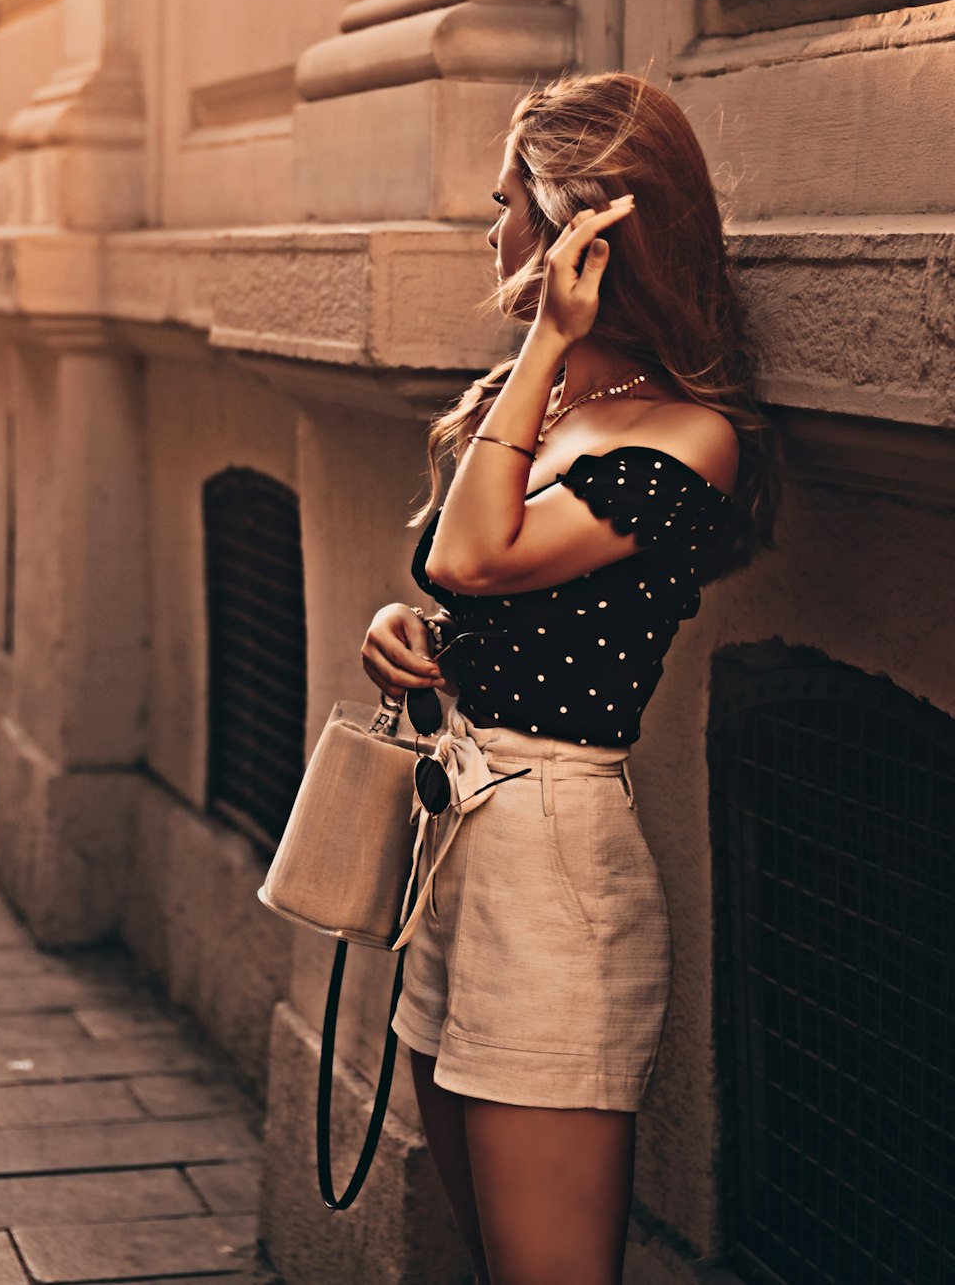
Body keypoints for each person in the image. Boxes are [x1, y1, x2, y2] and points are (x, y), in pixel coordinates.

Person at [361, 72, 782, 1285]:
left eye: (509, 206)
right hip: (458, 832)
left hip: (551, 858)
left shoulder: (685, 434)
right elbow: (462, 588)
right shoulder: (530, 403)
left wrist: (544, 337)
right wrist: (406, 631)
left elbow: (476, 554)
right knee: (490, 1252)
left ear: (583, 233)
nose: (491, 235)